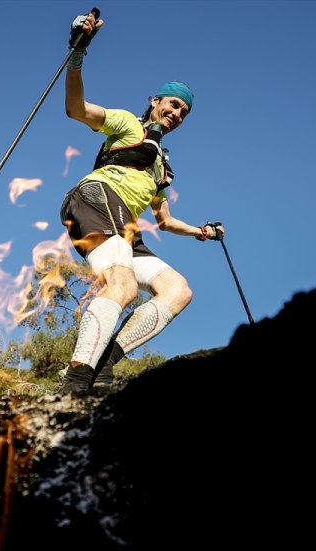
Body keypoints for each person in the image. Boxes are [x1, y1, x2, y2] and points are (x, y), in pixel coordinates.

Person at [57, 12, 224, 395]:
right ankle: (77, 377)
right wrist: (77, 55)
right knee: (123, 285)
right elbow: (76, 109)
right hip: (97, 197)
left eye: (184, 111)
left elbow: (164, 220)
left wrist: (202, 231)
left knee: (178, 290)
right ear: (154, 101)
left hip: (126, 225)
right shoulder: (128, 124)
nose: (177, 113)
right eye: (172, 104)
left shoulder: (161, 164)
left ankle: (103, 362)